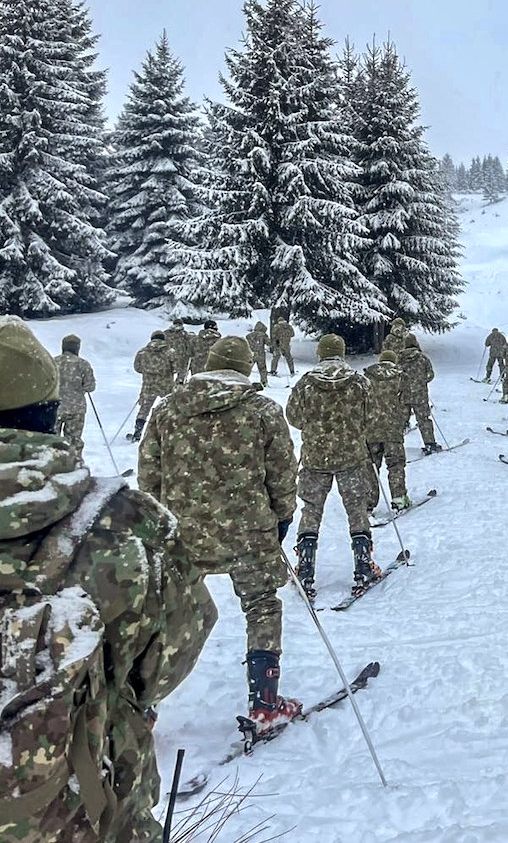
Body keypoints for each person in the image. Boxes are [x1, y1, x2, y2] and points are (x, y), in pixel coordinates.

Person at [0, 315, 215, 843]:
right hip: (90, 802)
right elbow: (170, 659)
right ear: (47, 412)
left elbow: (139, 366)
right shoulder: (129, 521)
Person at [139, 336, 302, 733]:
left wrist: (160, 524)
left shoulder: (167, 410)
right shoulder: (262, 410)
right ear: (245, 369)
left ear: (207, 364)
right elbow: (283, 472)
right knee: (262, 605)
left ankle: (142, 703)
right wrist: (282, 517)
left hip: (183, 534)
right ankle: (265, 703)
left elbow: (148, 475)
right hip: (249, 532)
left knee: (170, 614)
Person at [286, 334, 379, 598]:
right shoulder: (359, 382)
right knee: (356, 508)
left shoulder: (306, 383)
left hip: (316, 457)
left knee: (311, 509)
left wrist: (316, 427)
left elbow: (293, 416)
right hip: (351, 457)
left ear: (320, 353)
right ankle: (363, 565)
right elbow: (372, 416)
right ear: (342, 352)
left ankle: (305, 568)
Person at [364, 349, 411, 511]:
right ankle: (399, 498)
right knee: (395, 464)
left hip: (371, 430)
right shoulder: (401, 377)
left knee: (371, 466)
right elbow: (405, 403)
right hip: (392, 430)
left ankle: (368, 502)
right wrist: (402, 422)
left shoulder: (367, 378)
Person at [395, 332, 440, 454]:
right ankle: (430, 444)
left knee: (400, 421)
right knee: (424, 420)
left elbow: (396, 376)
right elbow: (430, 375)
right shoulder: (422, 358)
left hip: (404, 395)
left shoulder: (399, 359)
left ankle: (395, 445)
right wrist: (421, 381)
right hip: (420, 395)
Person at [52, 333, 96, 456]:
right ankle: (74, 463)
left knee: (52, 439)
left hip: (55, 407)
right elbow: (90, 387)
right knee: (74, 440)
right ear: (77, 348)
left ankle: (53, 461)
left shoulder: (53, 362)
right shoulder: (83, 364)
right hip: (76, 408)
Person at [128, 329, 175, 442]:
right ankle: (169, 432)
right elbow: (177, 367)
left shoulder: (142, 352)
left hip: (148, 384)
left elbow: (137, 367)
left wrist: (148, 372)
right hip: (165, 384)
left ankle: (138, 432)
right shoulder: (170, 351)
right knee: (169, 407)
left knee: (144, 408)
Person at [163, 317, 193, 384]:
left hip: (168, 357)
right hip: (181, 357)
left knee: (168, 372)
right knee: (182, 373)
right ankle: (179, 385)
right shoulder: (184, 334)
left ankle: (168, 385)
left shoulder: (165, 333)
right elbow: (189, 345)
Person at [246, 320, 270, 386]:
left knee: (247, 368)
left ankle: (244, 380)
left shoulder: (249, 336)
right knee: (262, 369)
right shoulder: (263, 335)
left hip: (251, 354)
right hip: (260, 354)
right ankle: (264, 382)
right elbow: (269, 343)